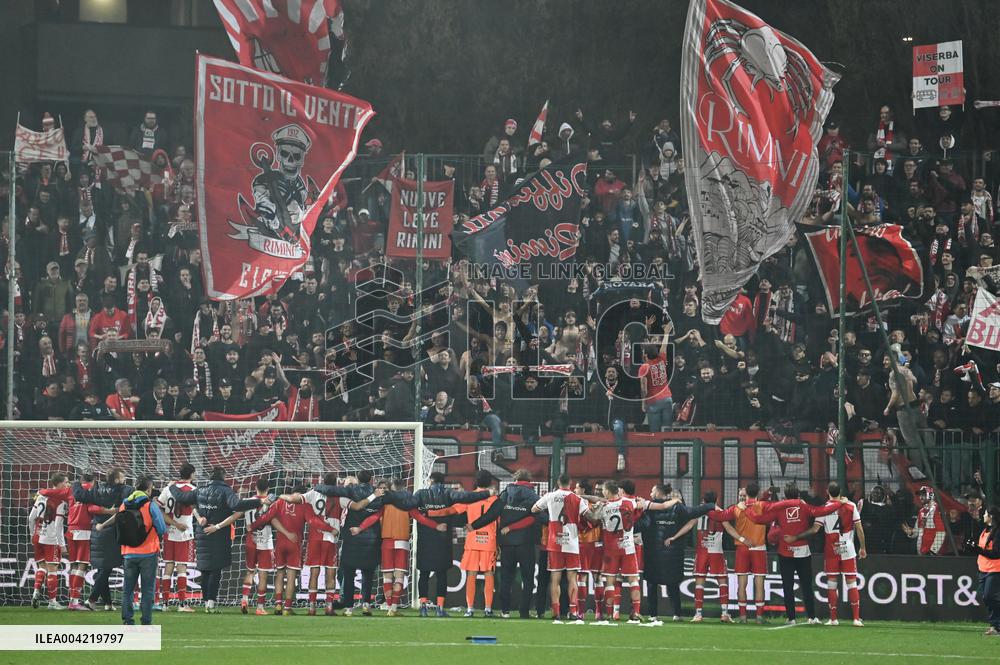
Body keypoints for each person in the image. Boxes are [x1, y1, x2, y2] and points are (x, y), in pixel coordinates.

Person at [167, 466, 267, 612]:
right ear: (223, 477)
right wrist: (258, 502)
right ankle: (211, 603)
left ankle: (206, 602)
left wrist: (172, 487)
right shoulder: (225, 491)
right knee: (215, 569)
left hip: (202, 534)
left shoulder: (200, 490)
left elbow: (182, 498)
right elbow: (237, 505)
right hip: (218, 533)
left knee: (205, 569)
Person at [746, 483, 841, 624]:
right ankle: (812, 617)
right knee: (807, 586)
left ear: (785, 495)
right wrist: (839, 503)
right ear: (798, 494)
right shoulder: (803, 506)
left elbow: (758, 519)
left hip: (785, 553)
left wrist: (747, 510)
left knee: (787, 587)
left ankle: (791, 618)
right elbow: (821, 511)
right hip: (803, 552)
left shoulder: (779, 508)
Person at [251, 483, 338, 615]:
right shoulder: (304, 504)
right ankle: (287, 608)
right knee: (291, 576)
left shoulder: (280, 502)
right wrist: (330, 529)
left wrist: (252, 526)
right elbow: (313, 521)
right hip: (295, 543)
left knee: (280, 573)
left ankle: (278, 604)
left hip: (280, 543)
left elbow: (267, 517)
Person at [788, 482, 866, 626]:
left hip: (832, 550)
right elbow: (859, 529)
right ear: (840, 491)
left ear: (827, 492)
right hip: (847, 549)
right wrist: (862, 548)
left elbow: (814, 529)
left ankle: (833, 619)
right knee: (851, 583)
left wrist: (797, 536)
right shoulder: (851, 506)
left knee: (831, 584)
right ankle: (856, 618)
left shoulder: (824, 508)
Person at [469, 469, 543, 619]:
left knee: (506, 578)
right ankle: (524, 612)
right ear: (528, 480)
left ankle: (505, 611)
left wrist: (474, 525)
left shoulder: (505, 494)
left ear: (515, 479)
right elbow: (538, 517)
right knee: (528, 578)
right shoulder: (533, 496)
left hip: (507, 543)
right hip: (526, 543)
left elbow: (492, 513)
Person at [94, 475, 167, 626]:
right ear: (149, 488)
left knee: (128, 590)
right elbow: (162, 528)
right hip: (148, 553)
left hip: (128, 553)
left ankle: (127, 621)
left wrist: (103, 525)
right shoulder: (150, 505)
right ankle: (146, 622)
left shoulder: (125, 504)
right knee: (147, 590)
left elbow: (117, 519)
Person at [531, 473, 590, 624]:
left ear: (558, 483)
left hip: (554, 542)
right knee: (572, 578)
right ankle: (573, 611)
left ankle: (556, 612)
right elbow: (589, 516)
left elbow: (534, 509)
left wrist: (550, 514)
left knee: (555, 579)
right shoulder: (577, 499)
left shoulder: (550, 496)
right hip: (571, 542)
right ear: (570, 483)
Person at [71, 469, 132, 611]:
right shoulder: (122, 490)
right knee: (105, 568)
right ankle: (91, 599)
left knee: (103, 568)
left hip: (97, 532)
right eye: (122, 477)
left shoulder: (97, 489)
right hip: (111, 531)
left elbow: (79, 495)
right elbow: (131, 495)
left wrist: (77, 483)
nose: (124, 479)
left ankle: (108, 603)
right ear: (116, 480)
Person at [709, 483, 769, 623]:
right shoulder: (762, 506)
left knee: (742, 584)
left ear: (746, 494)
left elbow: (719, 517)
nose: (741, 497)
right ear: (757, 493)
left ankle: (743, 617)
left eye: (743, 495)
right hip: (759, 547)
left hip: (742, 548)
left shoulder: (735, 508)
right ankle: (759, 617)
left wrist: (708, 508)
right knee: (759, 584)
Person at [668, 490, 731, 623]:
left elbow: (689, 525)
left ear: (704, 500)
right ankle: (725, 613)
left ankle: (698, 614)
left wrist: (674, 537)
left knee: (699, 582)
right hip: (716, 551)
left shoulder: (699, 513)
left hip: (702, 552)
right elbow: (729, 528)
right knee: (722, 582)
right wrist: (742, 539)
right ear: (716, 500)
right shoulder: (720, 512)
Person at [156, 463, 197, 612]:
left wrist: (173, 523)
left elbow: (159, 509)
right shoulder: (193, 490)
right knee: (181, 568)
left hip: (169, 532)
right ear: (192, 474)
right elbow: (194, 508)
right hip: (184, 534)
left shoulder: (168, 488)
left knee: (168, 566)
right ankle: (182, 604)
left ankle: (165, 604)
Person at [33, 473, 72, 610]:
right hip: (51, 538)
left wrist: (33, 533)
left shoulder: (40, 496)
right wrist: (62, 544)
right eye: (66, 482)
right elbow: (58, 525)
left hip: (38, 535)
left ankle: (36, 591)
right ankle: (52, 602)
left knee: (42, 566)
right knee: (53, 569)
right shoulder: (61, 501)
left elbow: (31, 517)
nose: (68, 484)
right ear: (59, 484)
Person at [965, 505, 1000, 635]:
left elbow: (996, 553)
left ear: (991, 516)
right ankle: (995, 625)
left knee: (990, 596)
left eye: (985, 514)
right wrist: (973, 548)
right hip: (983, 569)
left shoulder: (998, 532)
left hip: (995, 569)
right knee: (986, 597)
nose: (983, 516)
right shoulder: (985, 530)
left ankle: (996, 625)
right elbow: (983, 549)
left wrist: (978, 550)